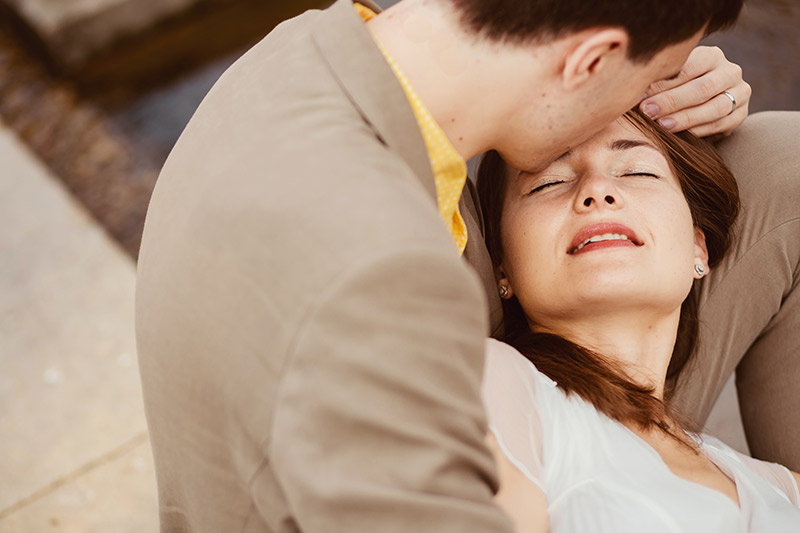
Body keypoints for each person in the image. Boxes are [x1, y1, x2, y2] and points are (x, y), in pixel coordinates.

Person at [135, 0, 748, 530]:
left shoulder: (316, 44)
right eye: (657, 78)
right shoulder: (371, 270)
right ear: (588, 61)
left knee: (774, 155)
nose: (650, 100)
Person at [477, 109, 800, 531]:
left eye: (637, 172)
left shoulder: (779, 489)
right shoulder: (496, 382)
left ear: (699, 248)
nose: (597, 190)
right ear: (503, 268)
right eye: (548, 182)